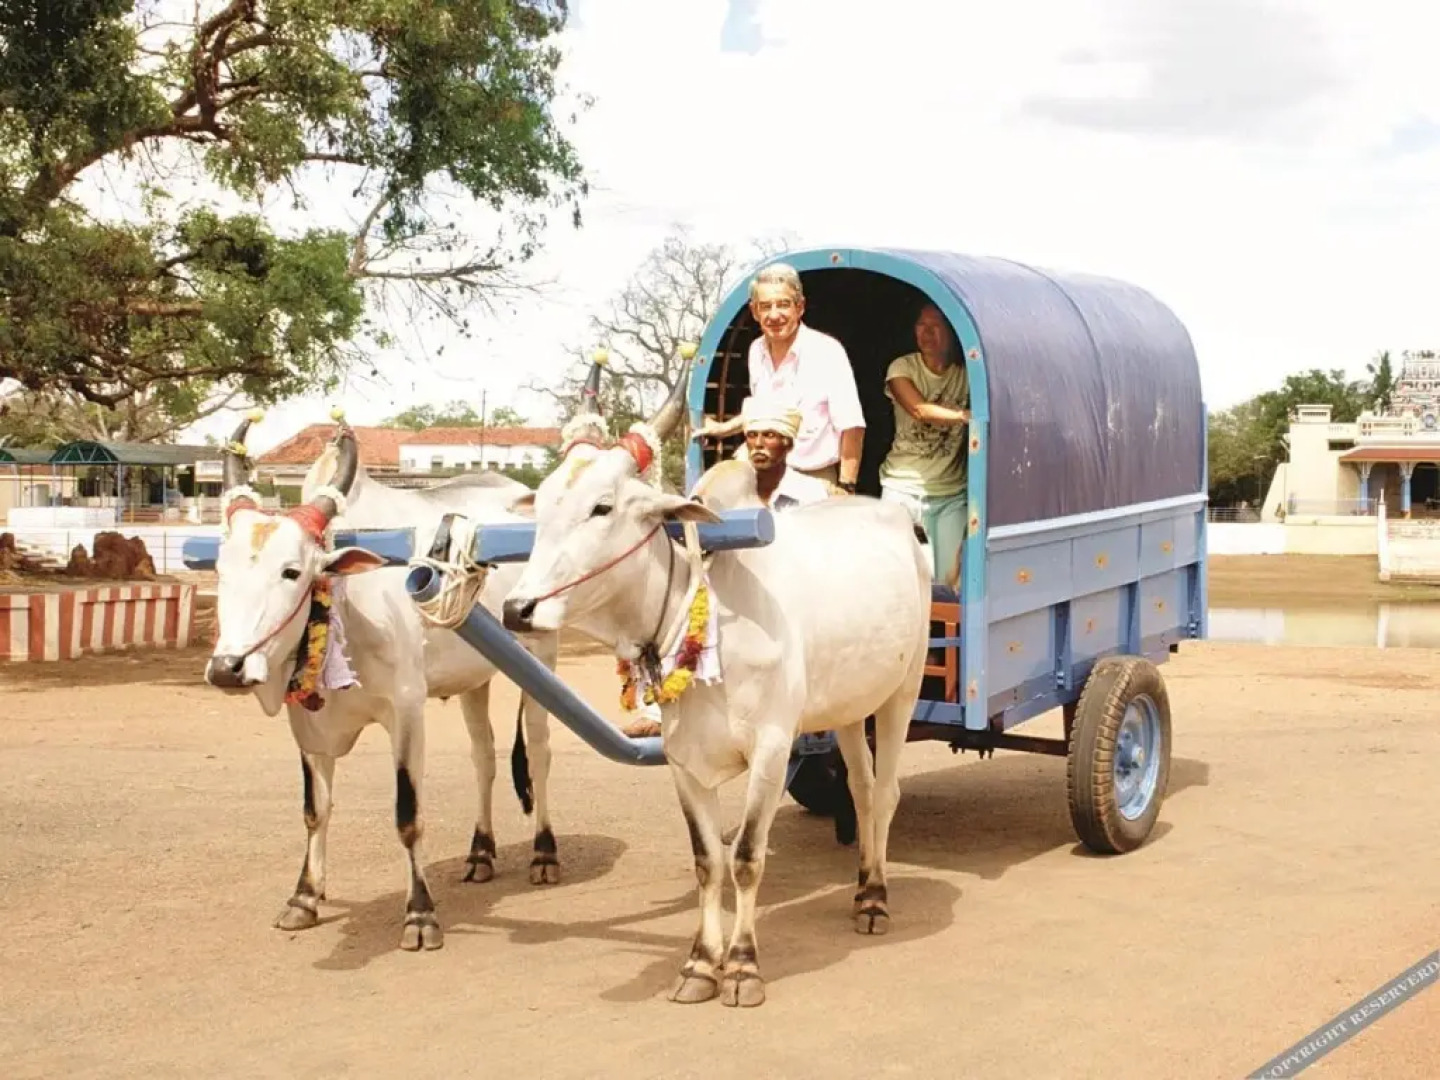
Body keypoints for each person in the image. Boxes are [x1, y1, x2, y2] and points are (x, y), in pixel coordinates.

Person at [693, 263, 866, 492]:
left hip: (813, 479)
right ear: (755, 311)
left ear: (800, 307)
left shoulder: (827, 351)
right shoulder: (756, 351)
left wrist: (846, 488)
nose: (774, 315)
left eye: (783, 304)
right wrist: (722, 429)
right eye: (766, 306)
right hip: (765, 476)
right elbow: (764, 411)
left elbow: (852, 426)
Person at [878, 301, 971, 588]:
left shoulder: (968, 375)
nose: (927, 332)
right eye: (921, 325)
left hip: (950, 493)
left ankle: (947, 635)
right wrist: (964, 416)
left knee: (950, 581)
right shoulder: (902, 367)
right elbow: (918, 408)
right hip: (902, 487)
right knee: (896, 579)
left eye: (936, 325)